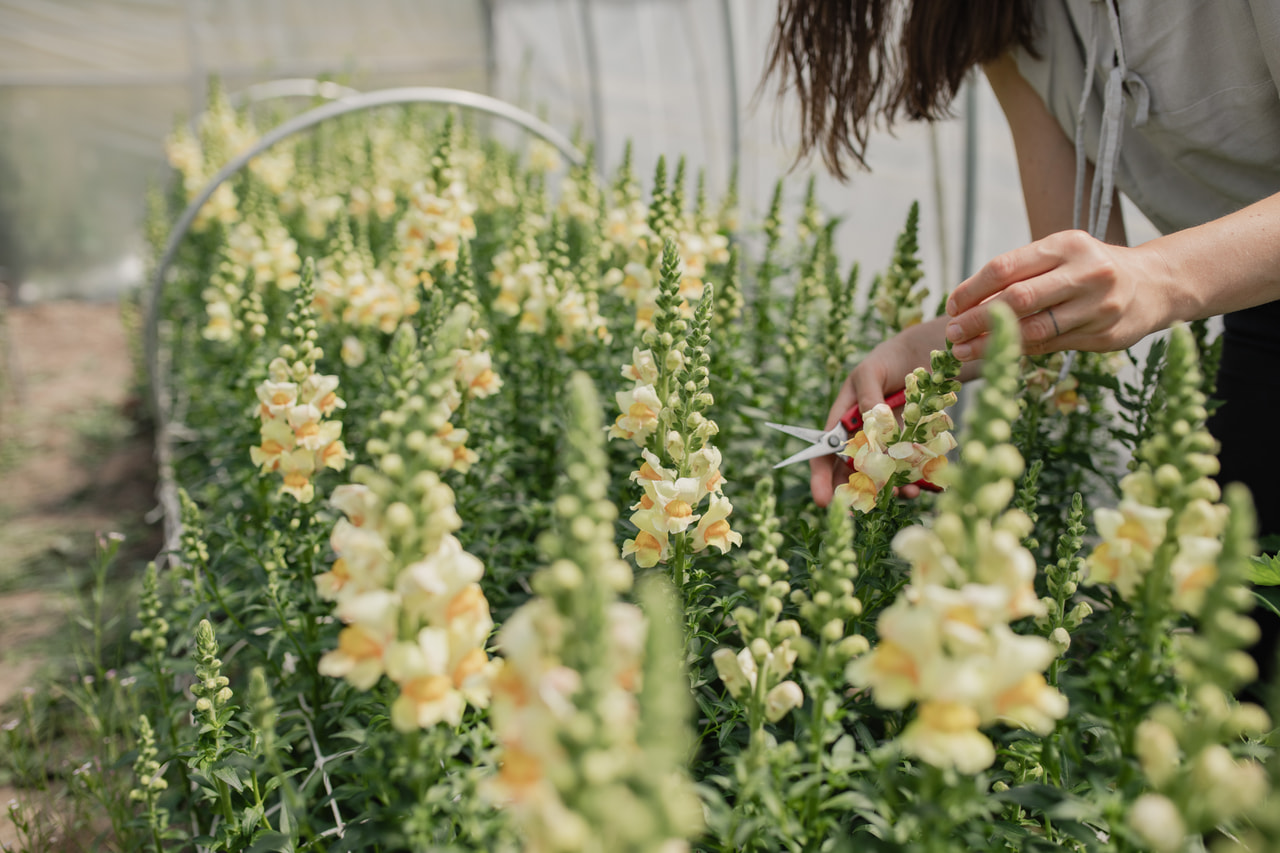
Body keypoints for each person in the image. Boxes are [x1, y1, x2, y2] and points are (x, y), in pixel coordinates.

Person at [765, 0, 1280, 675]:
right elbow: (1071, 270)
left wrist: (1163, 274)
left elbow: (1136, 275)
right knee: (1235, 653)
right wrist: (934, 350)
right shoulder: (1006, 18)